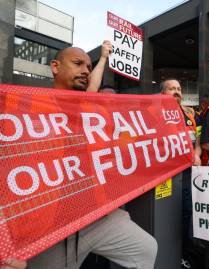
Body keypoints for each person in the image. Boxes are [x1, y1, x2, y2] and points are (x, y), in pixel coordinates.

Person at [25, 47, 158, 269]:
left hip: (94, 215)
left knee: (146, 249)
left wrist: (104, 57)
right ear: (55, 67)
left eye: (88, 66)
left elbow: (93, 85)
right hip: (47, 231)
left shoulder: (86, 107)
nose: (86, 71)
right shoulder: (27, 108)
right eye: (78, 64)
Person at [159, 78, 201, 268]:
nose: (176, 91)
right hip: (167, 176)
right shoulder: (154, 112)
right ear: (162, 93)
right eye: (171, 88)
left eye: (178, 88)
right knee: (169, 216)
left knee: (187, 213)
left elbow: (197, 141)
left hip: (188, 173)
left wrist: (197, 155)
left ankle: (184, 252)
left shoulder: (188, 114)